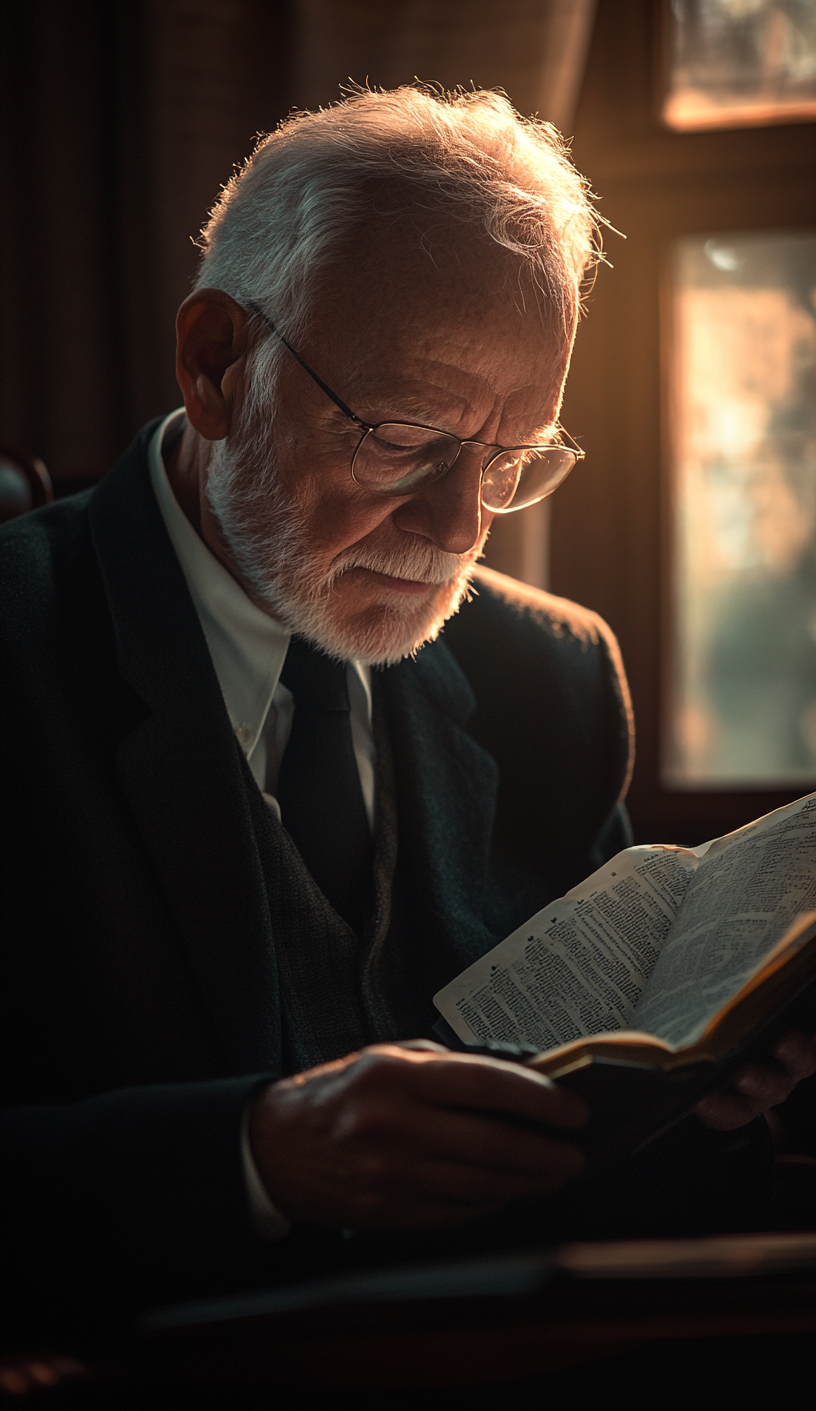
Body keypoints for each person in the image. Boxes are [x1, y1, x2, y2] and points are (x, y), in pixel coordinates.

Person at [2, 87, 814, 1341]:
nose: (460, 530)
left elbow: (609, 1172)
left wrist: (696, 1109)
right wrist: (253, 1159)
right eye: (403, 436)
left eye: (509, 458)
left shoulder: (553, 678)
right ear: (218, 363)